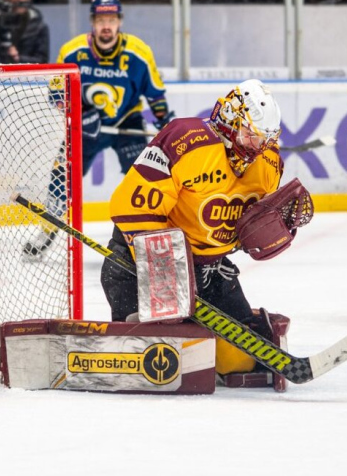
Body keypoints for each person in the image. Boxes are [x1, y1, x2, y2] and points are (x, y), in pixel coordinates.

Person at [103, 79, 298, 376]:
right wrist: (168, 274)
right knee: (155, 361)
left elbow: (250, 223)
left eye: (265, 139)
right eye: (251, 135)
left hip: (209, 270)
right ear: (231, 121)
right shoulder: (186, 140)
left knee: (241, 364)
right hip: (138, 262)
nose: (258, 147)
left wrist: (271, 227)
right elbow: (133, 206)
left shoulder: (268, 162)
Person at [24, 0, 174, 258]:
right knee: (61, 179)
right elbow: (57, 94)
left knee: (143, 182)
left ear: (119, 22)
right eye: (101, 20)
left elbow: (155, 95)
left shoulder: (138, 53)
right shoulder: (72, 52)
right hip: (85, 128)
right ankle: (46, 232)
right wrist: (81, 113)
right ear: (92, 22)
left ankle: (143, 238)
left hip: (127, 122)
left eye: (112, 20)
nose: (107, 26)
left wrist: (165, 125)